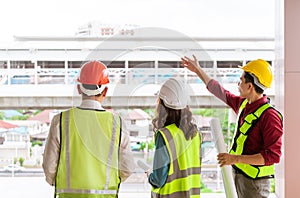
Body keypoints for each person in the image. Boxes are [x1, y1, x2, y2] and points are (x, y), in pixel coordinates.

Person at [181, 56, 283, 198]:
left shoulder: (269, 116)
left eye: (241, 80)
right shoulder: (244, 104)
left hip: (254, 184)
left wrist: (234, 159)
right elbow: (220, 91)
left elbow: (273, 156)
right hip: (238, 176)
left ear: (250, 86)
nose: (238, 84)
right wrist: (198, 70)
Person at [42, 61, 136, 198]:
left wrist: (58, 182)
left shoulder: (61, 120)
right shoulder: (117, 123)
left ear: (79, 89)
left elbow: (49, 166)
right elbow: (127, 168)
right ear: (105, 91)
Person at [147, 78, 202, 198]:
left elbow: (158, 179)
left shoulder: (165, 135)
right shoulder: (196, 134)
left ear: (161, 104)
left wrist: (149, 176)